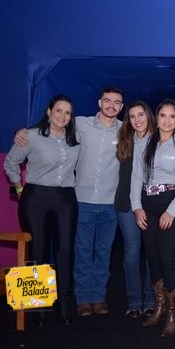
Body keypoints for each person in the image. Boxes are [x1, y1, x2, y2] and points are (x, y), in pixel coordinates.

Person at [14, 87, 125, 317]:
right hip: (73, 199)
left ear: (122, 107)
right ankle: (50, 304)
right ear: (99, 102)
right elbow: (45, 132)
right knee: (46, 249)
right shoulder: (81, 124)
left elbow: (153, 130)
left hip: (99, 201)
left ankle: (94, 298)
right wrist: (21, 133)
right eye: (107, 100)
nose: (111, 105)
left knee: (92, 252)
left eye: (117, 102)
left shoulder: (126, 130)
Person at [4, 94, 80, 325]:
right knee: (37, 250)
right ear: (49, 111)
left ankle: (64, 305)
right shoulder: (31, 136)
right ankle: (37, 307)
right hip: (35, 198)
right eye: (59, 111)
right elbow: (10, 162)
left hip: (65, 198)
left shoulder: (76, 137)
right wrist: (19, 188)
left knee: (65, 250)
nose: (63, 116)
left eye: (67, 113)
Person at [130, 98, 175, 338]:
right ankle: (159, 307)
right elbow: (136, 176)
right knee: (153, 258)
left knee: (168, 258)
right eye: (162, 115)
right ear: (156, 119)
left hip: (173, 205)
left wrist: (171, 211)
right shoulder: (145, 143)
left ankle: (172, 313)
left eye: (172, 116)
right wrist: (137, 207)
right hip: (147, 204)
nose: (167, 120)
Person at [115, 100, 156, 318]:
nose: (137, 120)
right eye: (132, 116)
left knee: (151, 254)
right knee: (131, 252)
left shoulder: (160, 138)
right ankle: (134, 301)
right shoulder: (124, 139)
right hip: (125, 204)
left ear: (149, 115)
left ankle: (150, 299)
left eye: (141, 114)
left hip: (151, 203)